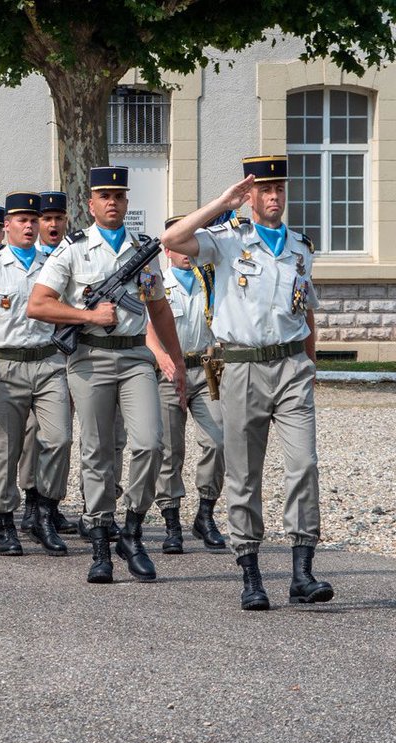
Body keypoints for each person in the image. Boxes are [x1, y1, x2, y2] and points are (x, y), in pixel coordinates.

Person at [160, 156, 333, 611]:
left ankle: (302, 571)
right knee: (244, 472)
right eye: (265, 190)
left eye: (280, 189)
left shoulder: (300, 246)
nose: (274, 197)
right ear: (251, 195)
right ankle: (251, 571)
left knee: (304, 465)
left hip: (292, 366)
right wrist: (221, 202)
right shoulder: (228, 240)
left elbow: (306, 308)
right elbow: (172, 238)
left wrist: (311, 363)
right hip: (241, 368)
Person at [28, 166, 186, 584]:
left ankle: (132, 529)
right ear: (91, 204)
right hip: (91, 357)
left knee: (151, 444)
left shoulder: (143, 250)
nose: (112, 202)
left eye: (119, 195)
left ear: (127, 203)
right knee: (96, 451)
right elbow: (38, 304)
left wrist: (178, 359)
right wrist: (88, 315)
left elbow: (159, 308)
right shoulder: (72, 250)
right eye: (104, 196)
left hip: (135, 357)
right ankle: (100, 543)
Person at [0, 192, 72, 556]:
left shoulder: (53, 265)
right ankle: (5, 520)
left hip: (48, 363)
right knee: (5, 448)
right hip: (4, 365)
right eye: (21, 220)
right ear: (7, 226)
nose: (29, 225)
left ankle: (43, 510)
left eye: (33, 219)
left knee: (59, 439)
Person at [147, 216, 227, 554]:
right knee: (170, 449)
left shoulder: (209, 278)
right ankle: (171, 520)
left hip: (207, 366)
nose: (186, 250)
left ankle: (205, 512)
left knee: (218, 440)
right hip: (168, 371)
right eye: (180, 244)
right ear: (167, 249)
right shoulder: (155, 282)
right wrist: (160, 356)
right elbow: (145, 323)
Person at [20, 190, 79, 536]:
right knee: (32, 434)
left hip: (65, 354)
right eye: (46, 219)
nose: (53, 224)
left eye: (59, 218)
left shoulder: (75, 256)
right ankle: (31, 502)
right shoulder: (36, 260)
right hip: (33, 353)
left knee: (61, 435)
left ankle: (51, 504)